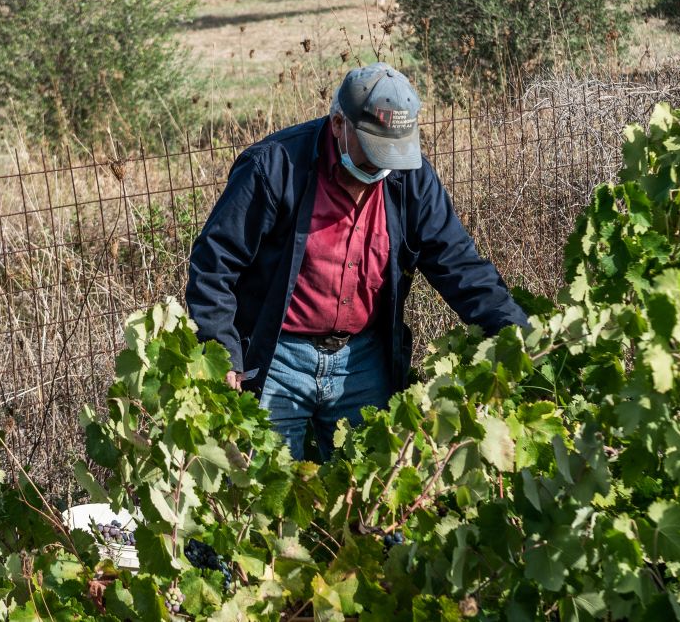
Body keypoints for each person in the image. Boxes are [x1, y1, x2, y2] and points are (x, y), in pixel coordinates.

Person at [185, 62, 528, 462]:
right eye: (374, 149)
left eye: (394, 151)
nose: (384, 165)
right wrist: (223, 354)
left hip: (362, 360)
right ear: (337, 125)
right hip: (279, 357)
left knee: (375, 493)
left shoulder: (409, 176)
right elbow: (214, 265)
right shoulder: (274, 167)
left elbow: (456, 260)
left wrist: (514, 331)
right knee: (267, 494)